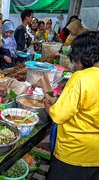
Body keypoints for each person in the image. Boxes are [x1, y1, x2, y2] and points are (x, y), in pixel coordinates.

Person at [45, 31, 99, 180]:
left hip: (73, 154)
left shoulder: (81, 77)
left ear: (83, 56)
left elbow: (57, 116)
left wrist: (47, 105)